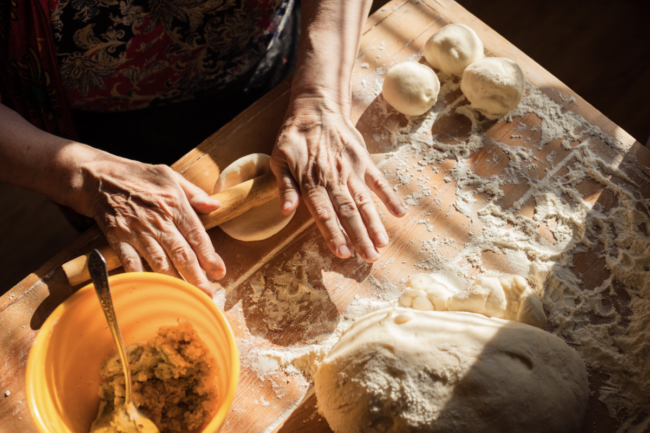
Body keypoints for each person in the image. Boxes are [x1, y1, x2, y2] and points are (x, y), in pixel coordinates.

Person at [0, 0, 407, 295]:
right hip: (95, 128)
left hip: (273, 70)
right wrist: (82, 175)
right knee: (134, 245)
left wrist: (320, 95)